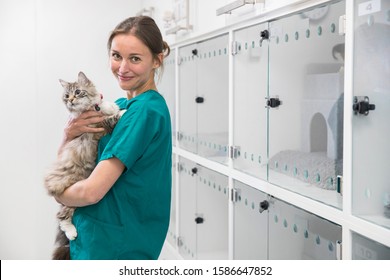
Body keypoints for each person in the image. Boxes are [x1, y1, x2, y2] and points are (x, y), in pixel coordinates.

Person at [55, 16, 172, 260]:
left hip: (115, 248)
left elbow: (91, 192)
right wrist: (68, 135)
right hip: (94, 237)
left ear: (156, 60)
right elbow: (69, 163)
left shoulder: (144, 112)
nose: (123, 67)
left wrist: (58, 192)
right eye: (117, 55)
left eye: (135, 59)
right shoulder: (121, 105)